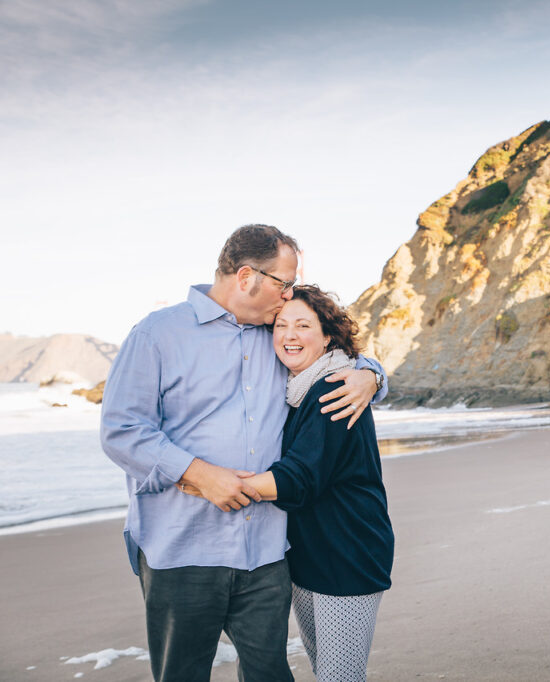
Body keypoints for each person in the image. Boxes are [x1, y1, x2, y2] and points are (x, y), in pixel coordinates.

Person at [100, 224, 388, 682]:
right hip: (183, 549)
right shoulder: (158, 333)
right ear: (247, 276)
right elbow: (121, 430)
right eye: (284, 283)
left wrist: (370, 373)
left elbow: (328, 351)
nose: (289, 295)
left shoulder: (274, 335)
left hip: (266, 552)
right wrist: (198, 473)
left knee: (269, 673)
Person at [187, 285, 394, 682]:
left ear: (328, 336)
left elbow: (299, 479)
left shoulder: (334, 388)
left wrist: (211, 483)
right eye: (281, 325)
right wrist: (373, 371)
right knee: (327, 672)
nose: (290, 335)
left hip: (347, 554)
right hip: (311, 554)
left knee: (340, 678)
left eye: (303, 325)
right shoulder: (295, 390)